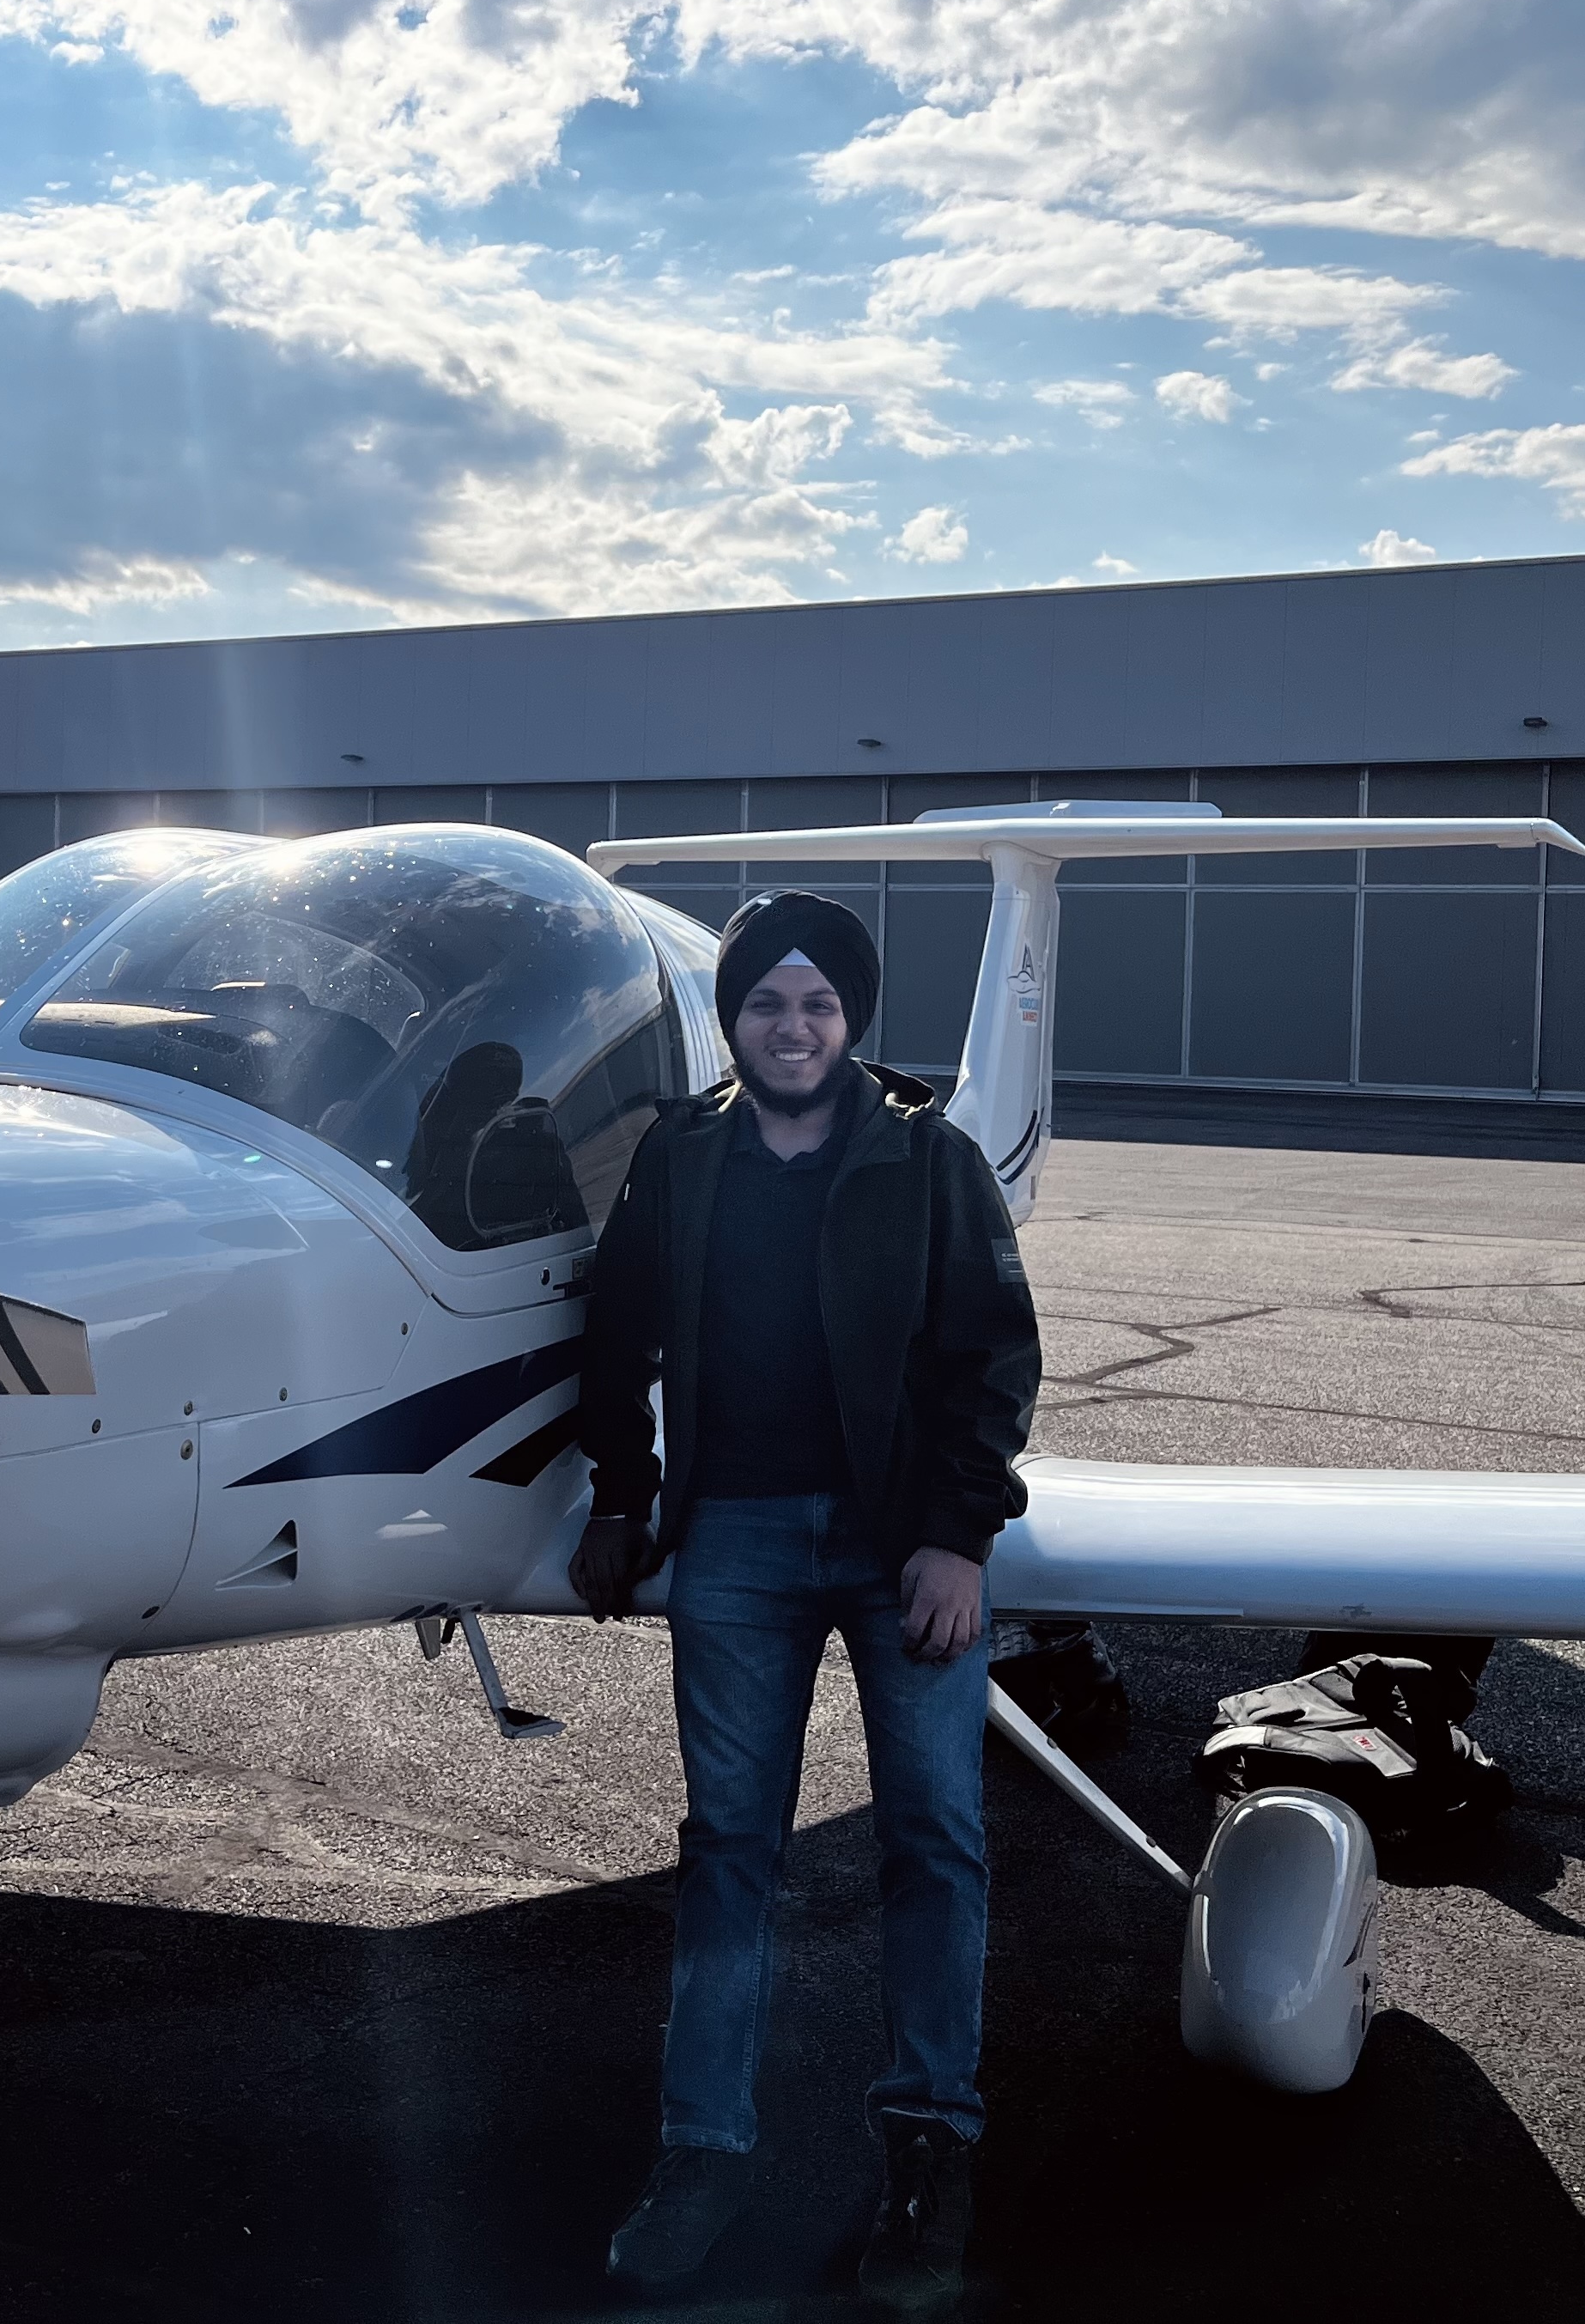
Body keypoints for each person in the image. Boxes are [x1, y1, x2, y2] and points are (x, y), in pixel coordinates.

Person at [571, 891, 1041, 2306]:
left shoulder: (930, 1157)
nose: (794, 1026)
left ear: (850, 1021)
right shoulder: (685, 1155)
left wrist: (958, 1536)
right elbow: (618, 1331)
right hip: (738, 1545)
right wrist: (619, 1492)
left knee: (936, 1840)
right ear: (738, 1021)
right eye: (768, 1003)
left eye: (819, 1004)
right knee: (728, 1851)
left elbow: (993, 1356)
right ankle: (703, 2152)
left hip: (904, 1547)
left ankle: (928, 2145)